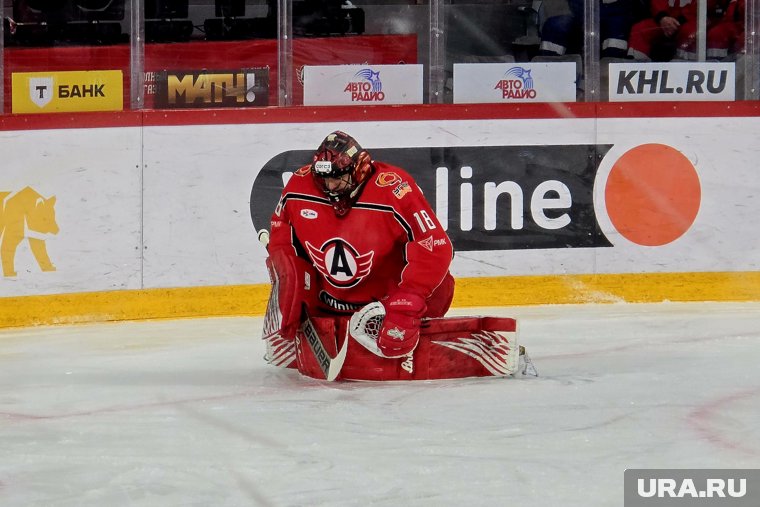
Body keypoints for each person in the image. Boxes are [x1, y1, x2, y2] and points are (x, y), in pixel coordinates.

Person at [262, 130, 455, 369]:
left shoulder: (394, 188)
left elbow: (435, 245)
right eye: (324, 179)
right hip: (328, 304)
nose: (330, 186)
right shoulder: (298, 186)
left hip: (385, 307)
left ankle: (408, 321)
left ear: (359, 169)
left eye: (337, 178)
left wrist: (409, 299)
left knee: (441, 286)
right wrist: (290, 282)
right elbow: (281, 236)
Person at [627, 0, 724, 61]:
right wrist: (663, 18)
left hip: (694, 20)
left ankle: (686, 73)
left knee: (690, 33)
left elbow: (707, 4)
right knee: (640, 29)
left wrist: (676, 21)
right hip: (666, 21)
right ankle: (637, 70)